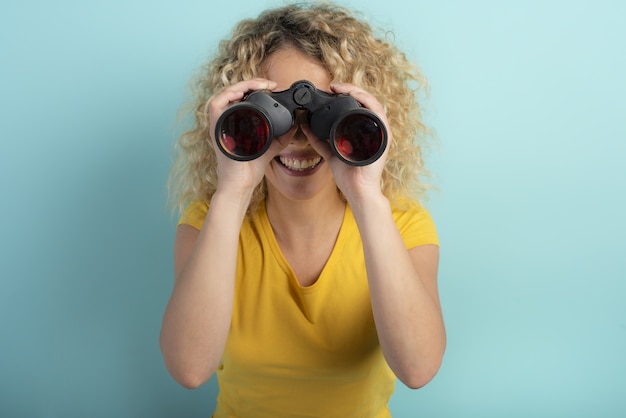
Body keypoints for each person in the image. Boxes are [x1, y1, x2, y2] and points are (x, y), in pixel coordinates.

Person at [160, 2, 446, 417]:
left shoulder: (401, 226)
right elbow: (188, 368)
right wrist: (233, 190)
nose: (298, 139)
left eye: (322, 116)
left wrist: (365, 193)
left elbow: (418, 368)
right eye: (273, 113)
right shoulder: (211, 223)